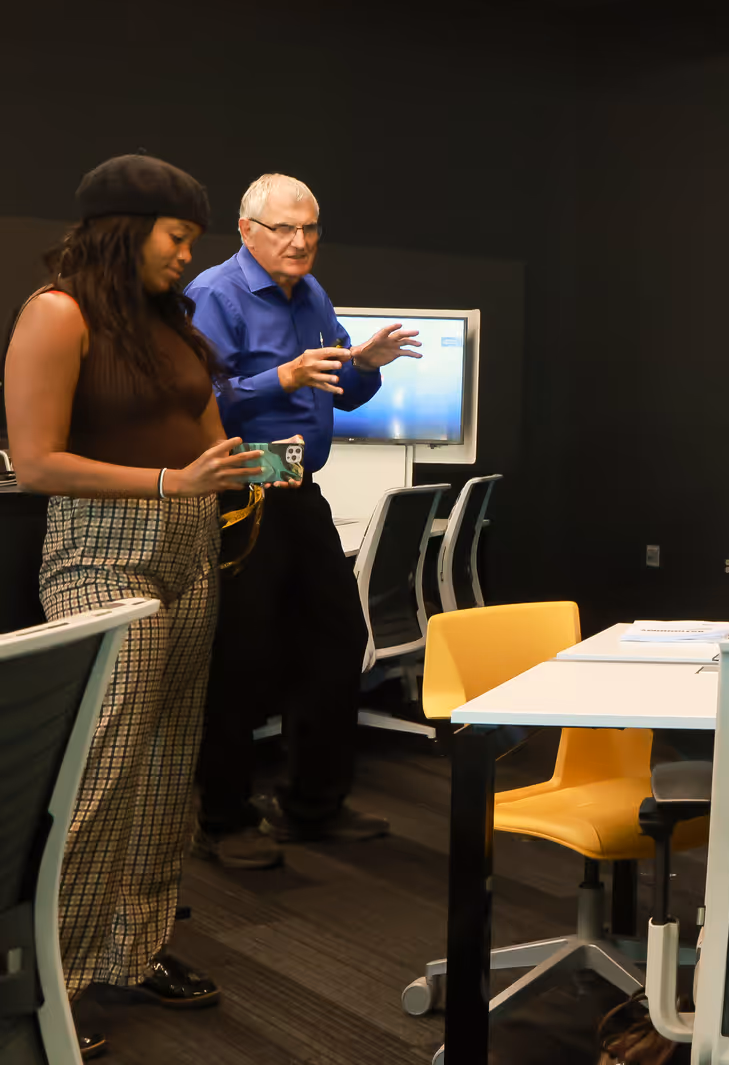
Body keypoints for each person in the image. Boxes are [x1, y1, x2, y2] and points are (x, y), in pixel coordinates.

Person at [3, 155, 266, 1053]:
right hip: (100, 557)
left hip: (189, 550)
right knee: (101, 773)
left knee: (164, 770)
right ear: (126, 226)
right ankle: (50, 981)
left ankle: (135, 948)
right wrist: (169, 479)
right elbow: (35, 462)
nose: (189, 256)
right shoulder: (57, 314)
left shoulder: (167, 321)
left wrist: (233, 469)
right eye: (179, 237)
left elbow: (204, 431)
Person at [185, 173, 420, 869]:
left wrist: (367, 366)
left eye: (310, 228)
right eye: (284, 229)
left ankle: (313, 804)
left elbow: (340, 390)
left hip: (296, 487)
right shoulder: (214, 295)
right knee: (240, 656)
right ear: (247, 230)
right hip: (237, 490)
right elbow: (196, 400)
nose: (300, 242)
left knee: (336, 640)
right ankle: (222, 819)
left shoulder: (311, 294)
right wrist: (280, 379)